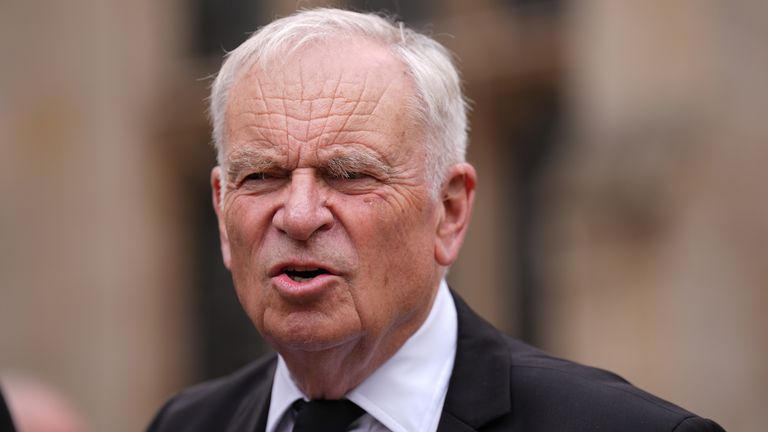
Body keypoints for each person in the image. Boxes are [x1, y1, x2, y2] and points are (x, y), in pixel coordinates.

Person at [148, 8, 724, 432]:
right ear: (223, 214)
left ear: (448, 211)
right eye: (262, 176)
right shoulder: (186, 425)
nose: (298, 216)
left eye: (350, 175)